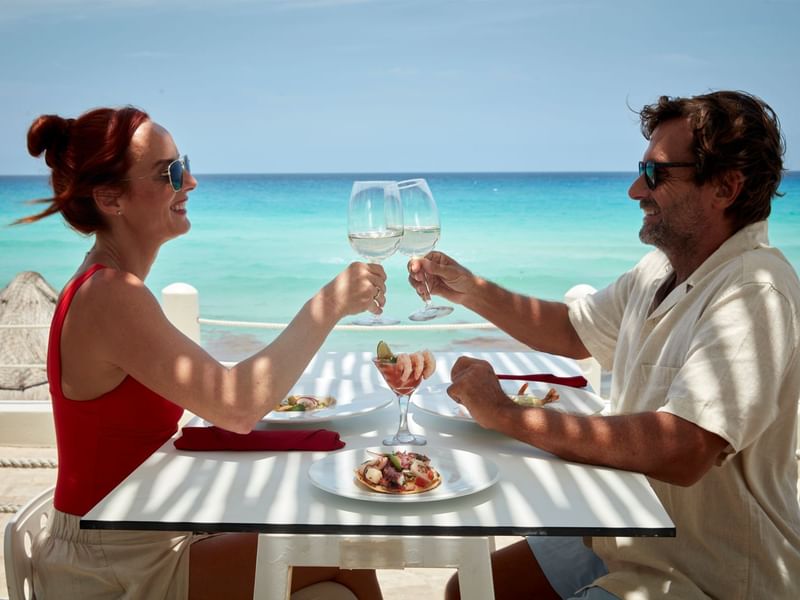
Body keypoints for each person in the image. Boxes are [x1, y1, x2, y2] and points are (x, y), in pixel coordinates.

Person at [408, 91, 800, 599]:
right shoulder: (662, 268)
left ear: (725, 187)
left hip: (708, 570)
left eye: (657, 173)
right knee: (473, 589)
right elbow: (575, 331)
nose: (637, 189)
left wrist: (505, 414)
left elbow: (685, 448)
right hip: (629, 529)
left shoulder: (753, 290)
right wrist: (468, 290)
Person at [15, 106, 386, 600]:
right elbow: (235, 405)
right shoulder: (110, 295)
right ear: (110, 198)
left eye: (182, 162)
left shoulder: (109, 287)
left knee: (337, 559)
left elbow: (217, 393)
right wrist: (328, 306)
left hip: (136, 532)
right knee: (347, 556)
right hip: (112, 562)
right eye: (169, 171)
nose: (189, 180)